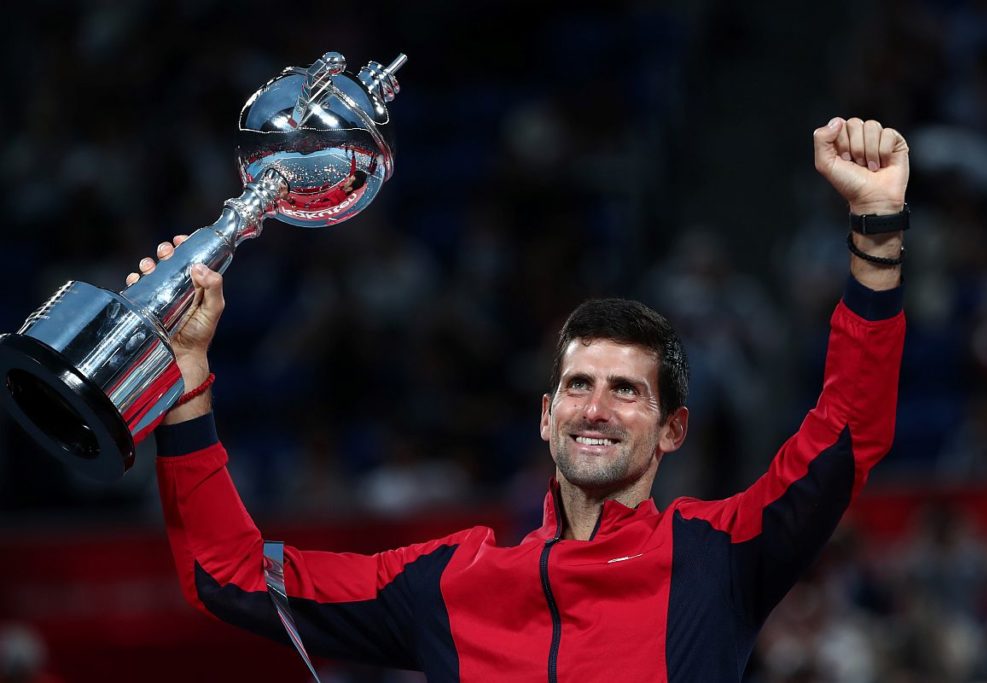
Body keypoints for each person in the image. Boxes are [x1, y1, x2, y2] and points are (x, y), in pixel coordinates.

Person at [131, 116, 909, 681]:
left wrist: (876, 233)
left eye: (626, 390)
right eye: (578, 384)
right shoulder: (450, 582)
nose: (596, 407)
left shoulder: (719, 558)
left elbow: (848, 431)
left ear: (673, 429)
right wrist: (186, 373)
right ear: (546, 415)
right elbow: (228, 575)